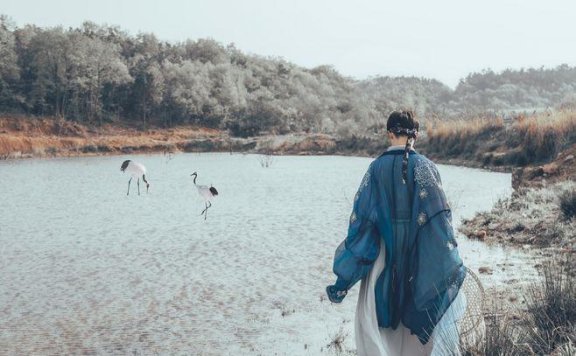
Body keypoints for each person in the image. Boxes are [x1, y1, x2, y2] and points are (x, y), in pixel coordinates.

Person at [326, 111, 467, 355]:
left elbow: (361, 222)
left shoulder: (375, 169)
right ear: (417, 135)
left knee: (379, 336)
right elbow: (440, 219)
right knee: (418, 339)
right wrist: (448, 260)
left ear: (389, 133)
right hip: (419, 260)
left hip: (381, 261)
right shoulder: (426, 167)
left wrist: (345, 277)